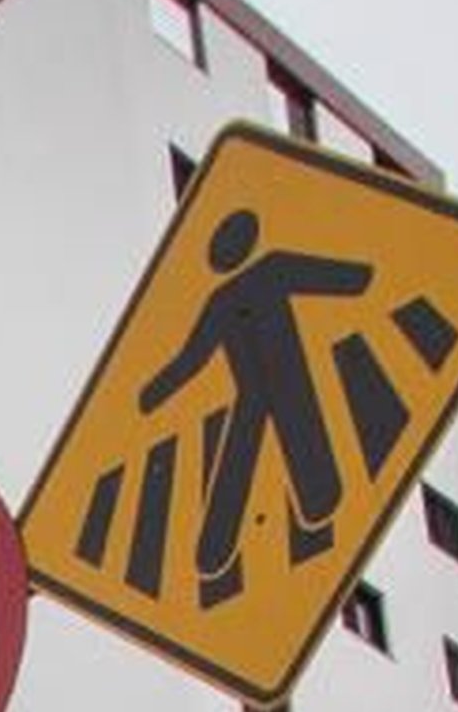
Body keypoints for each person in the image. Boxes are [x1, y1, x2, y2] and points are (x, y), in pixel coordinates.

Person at [136, 206, 369, 599]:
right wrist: (152, 394)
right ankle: (221, 545)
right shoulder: (256, 279)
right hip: (279, 381)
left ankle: (221, 543)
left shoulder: (233, 291)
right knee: (286, 452)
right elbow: (193, 358)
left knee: (250, 458)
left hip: (263, 386)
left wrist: (154, 393)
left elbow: (191, 360)